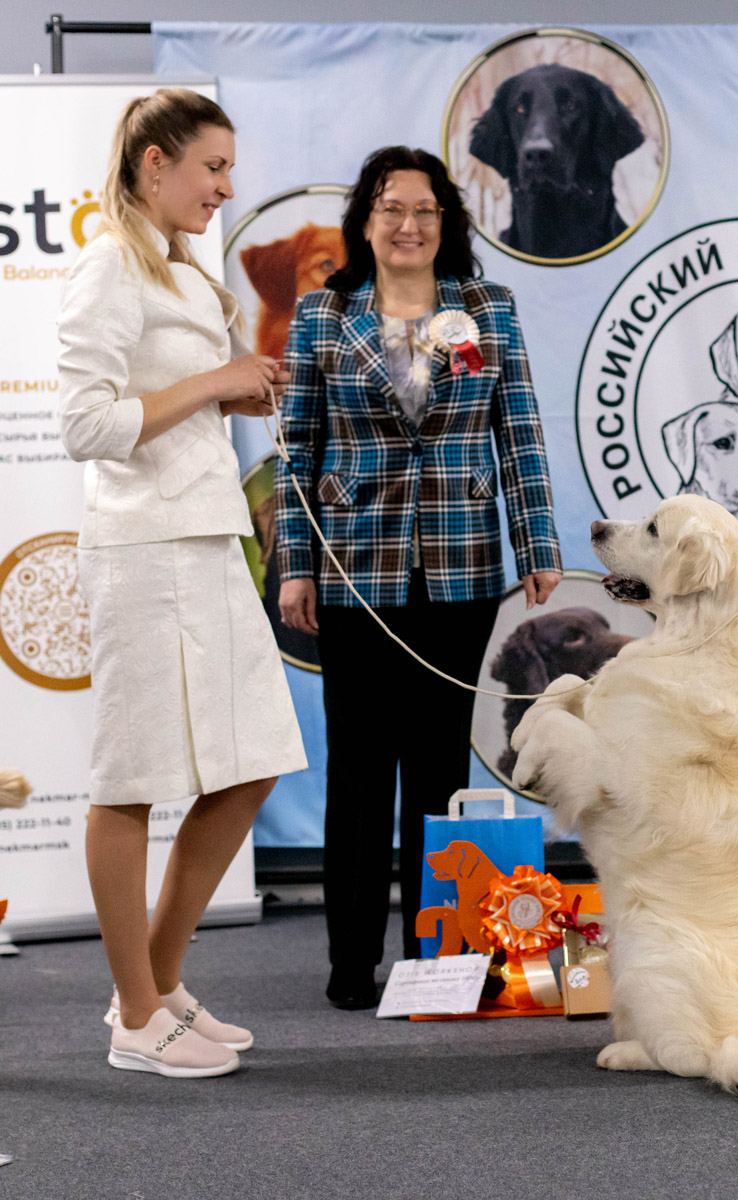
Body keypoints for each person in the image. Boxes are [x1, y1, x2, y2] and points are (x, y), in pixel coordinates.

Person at [276, 146, 562, 1010]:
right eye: (391, 209)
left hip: (465, 564)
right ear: (365, 221)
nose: (408, 225)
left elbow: (520, 435)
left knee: (440, 765)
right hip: (355, 573)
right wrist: (295, 566)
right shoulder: (323, 316)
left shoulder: (488, 310)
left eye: (425, 210)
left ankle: (437, 956)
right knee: (359, 768)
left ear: (448, 221)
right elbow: (296, 451)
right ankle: (350, 959)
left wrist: (537, 543)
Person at [58, 88, 307, 1077]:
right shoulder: (107, 268)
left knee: (250, 763)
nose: (226, 186)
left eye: (229, 167)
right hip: (141, 551)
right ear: (153, 162)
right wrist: (214, 382)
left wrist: (240, 384)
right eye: (211, 166)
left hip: (206, 542)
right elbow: (84, 425)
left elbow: (179, 407)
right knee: (131, 783)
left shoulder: (184, 268)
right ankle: (132, 1016)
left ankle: (155, 985)